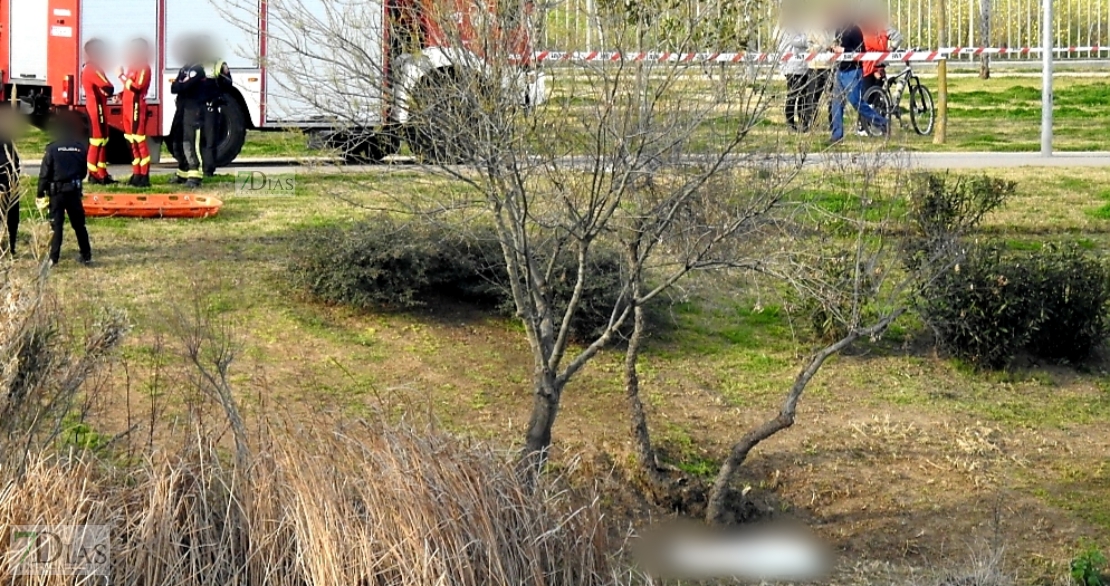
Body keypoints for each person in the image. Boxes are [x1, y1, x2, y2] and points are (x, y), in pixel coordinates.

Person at [37, 111, 92, 266]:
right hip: (74, 191)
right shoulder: (80, 148)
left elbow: (44, 174)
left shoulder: (52, 149)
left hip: (57, 193)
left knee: (57, 226)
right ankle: (86, 254)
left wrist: (40, 193)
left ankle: (54, 258)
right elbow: (83, 172)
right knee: (79, 225)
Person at [829, 18, 888, 144]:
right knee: (836, 103)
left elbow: (861, 52)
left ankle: (881, 122)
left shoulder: (855, 30)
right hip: (840, 70)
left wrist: (844, 51)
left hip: (853, 71)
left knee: (857, 103)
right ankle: (836, 135)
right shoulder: (838, 30)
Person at [81, 39, 117, 185]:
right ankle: (93, 174)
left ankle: (101, 172)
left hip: (99, 106)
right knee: (96, 140)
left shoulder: (94, 67)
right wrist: (109, 90)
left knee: (103, 139)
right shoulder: (92, 68)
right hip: (96, 108)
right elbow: (108, 86)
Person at [118, 38, 153, 188]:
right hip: (127, 107)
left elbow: (137, 87)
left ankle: (144, 175)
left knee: (139, 141)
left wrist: (121, 76)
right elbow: (128, 87)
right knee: (131, 142)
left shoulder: (144, 67)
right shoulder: (132, 66)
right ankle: (136, 173)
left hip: (136, 108)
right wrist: (120, 94)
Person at [197, 36, 233, 178]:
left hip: (212, 106)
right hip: (196, 107)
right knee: (197, 140)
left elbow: (228, 83)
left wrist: (222, 75)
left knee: (210, 140)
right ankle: (196, 169)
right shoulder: (194, 63)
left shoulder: (218, 63)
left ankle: (208, 170)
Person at [777, 26, 811, 132]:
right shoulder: (787, 30)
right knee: (792, 96)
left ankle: (803, 122)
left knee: (803, 97)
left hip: (804, 67)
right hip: (792, 68)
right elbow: (801, 42)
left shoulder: (802, 29)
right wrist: (808, 40)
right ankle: (790, 123)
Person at [0, 107, 20, 256]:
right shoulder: (8, 143)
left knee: (11, 216)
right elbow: (15, 162)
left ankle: (9, 246)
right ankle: (10, 246)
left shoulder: (8, 142)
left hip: (9, 180)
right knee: (12, 216)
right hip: (9, 180)